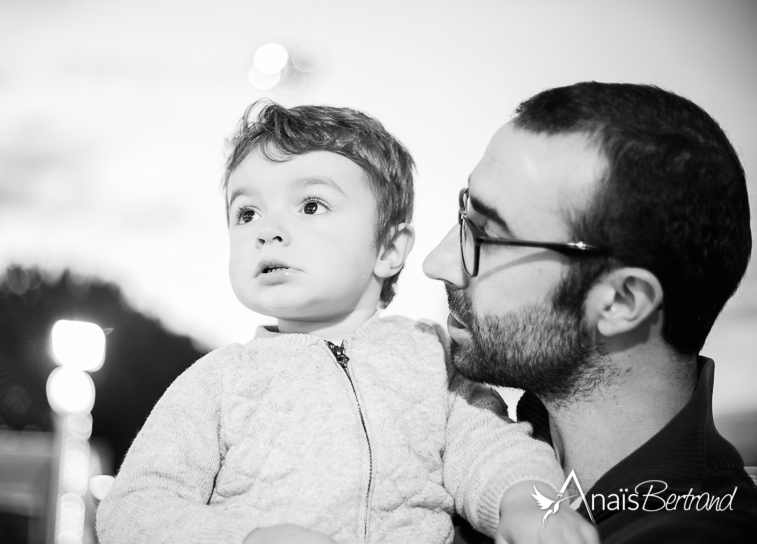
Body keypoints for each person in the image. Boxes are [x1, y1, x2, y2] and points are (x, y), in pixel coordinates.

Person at [96, 102, 598, 544]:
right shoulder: (217, 382)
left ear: (388, 249)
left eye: (311, 205)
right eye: (246, 213)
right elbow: (133, 509)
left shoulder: (429, 358)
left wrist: (527, 503)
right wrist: (245, 537)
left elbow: (491, 447)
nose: (267, 231)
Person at [423, 81, 757, 542]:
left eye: (487, 235)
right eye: (465, 216)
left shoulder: (699, 529)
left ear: (621, 304)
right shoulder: (451, 448)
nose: (437, 263)